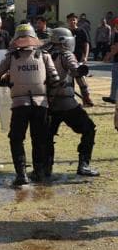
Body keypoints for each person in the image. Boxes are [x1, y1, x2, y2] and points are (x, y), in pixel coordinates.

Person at [0, 24, 59, 185]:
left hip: (19, 104)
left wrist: (9, 80)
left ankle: (21, 174)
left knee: (16, 139)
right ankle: (39, 172)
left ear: (16, 39)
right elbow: (55, 79)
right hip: (41, 104)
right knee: (39, 139)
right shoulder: (44, 55)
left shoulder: (11, 56)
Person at [46, 27, 98, 178]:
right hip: (67, 104)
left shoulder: (44, 54)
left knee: (47, 137)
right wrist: (86, 95)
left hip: (48, 104)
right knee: (89, 129)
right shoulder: (67, 55)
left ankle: (45, 168)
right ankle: (84, 165)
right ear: (65, 41)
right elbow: (77, 73)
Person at [102, 18, 118, 104]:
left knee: (115, 80)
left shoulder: (117, 34)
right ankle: (113, 97)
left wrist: (108, 57)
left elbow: (116, 48)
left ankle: (113, 97)